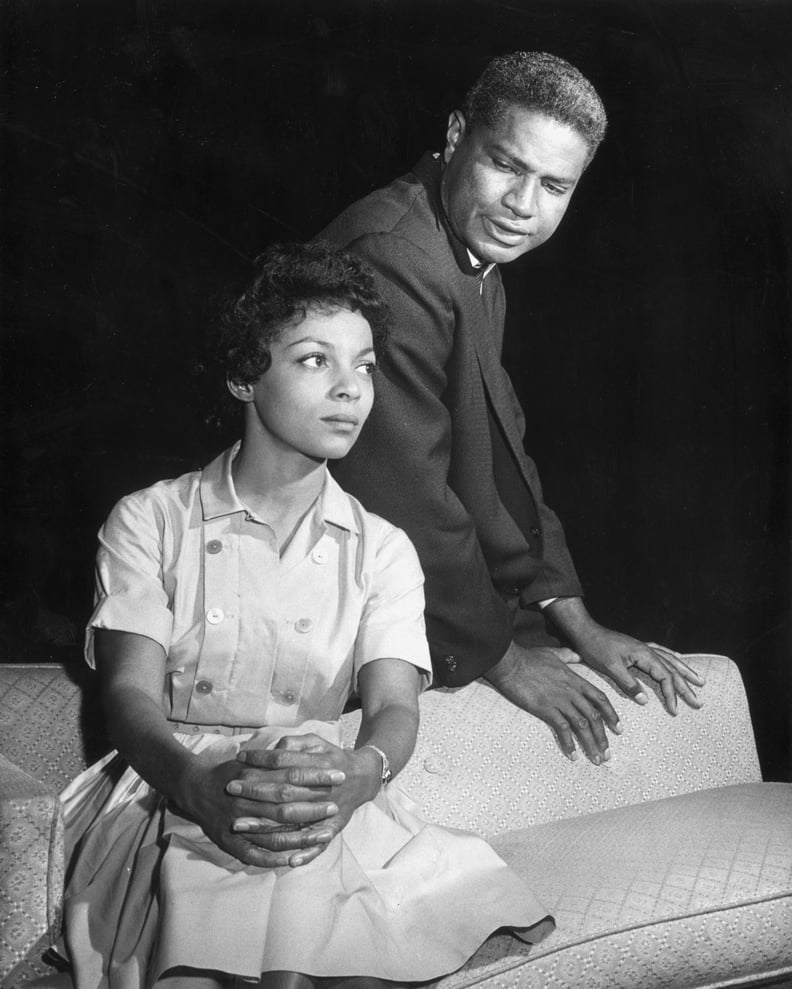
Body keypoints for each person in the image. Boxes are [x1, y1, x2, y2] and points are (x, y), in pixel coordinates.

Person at [57, 242, 554, 989]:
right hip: (171, 786)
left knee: (328, 919)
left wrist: (361, 771)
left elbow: (393, 705)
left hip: (322, 787)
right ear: (242, 376)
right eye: (316, 360)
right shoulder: (150, 520)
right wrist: (196, 785)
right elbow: (129, 699)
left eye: (364, 365)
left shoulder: (383, 548)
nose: (352, 389)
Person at [318, 51, 704, 766]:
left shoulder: (467, 244)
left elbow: (503, 449)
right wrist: (505, 658)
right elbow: (405, 496)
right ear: (457, 133)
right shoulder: (397, 256)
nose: (523, 205)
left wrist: (573, 616)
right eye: (507, 165)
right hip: (327, 608)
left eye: (554, 185)